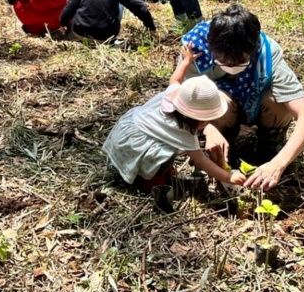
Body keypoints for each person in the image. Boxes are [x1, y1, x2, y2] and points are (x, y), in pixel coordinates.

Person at [181, 5, 304, 190]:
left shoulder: (267, 55)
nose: (230, 66)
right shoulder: (195, 52)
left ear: (253, 51)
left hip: (257, 102)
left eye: (239, 62)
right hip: (221, 109)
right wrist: (209, 129)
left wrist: (278, 164)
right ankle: (224, 143)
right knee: (211, 99)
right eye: (223, 61)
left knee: (277, 104)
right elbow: (182, 102)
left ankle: (270, 143)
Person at [102, 44, 246, 201]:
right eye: (207, 119)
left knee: (165, 147)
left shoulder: (173, 93)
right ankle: (151, 182)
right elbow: (203, 162)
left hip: (127, 130)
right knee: (165, 153)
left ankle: (159, 171)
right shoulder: (182, 133)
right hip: (135, 146)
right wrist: (228, 176)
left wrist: (186, 60)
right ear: (196, 119)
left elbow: (175, 78)